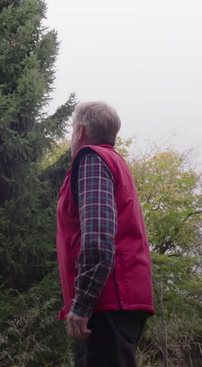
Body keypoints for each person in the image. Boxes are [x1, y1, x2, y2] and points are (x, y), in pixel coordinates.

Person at [56, 101, 155, 367]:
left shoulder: (91, 160)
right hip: (117, 301)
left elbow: (98, 238)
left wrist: (82, 304)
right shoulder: (114, 162)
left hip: (107, 304)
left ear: (80, 132)